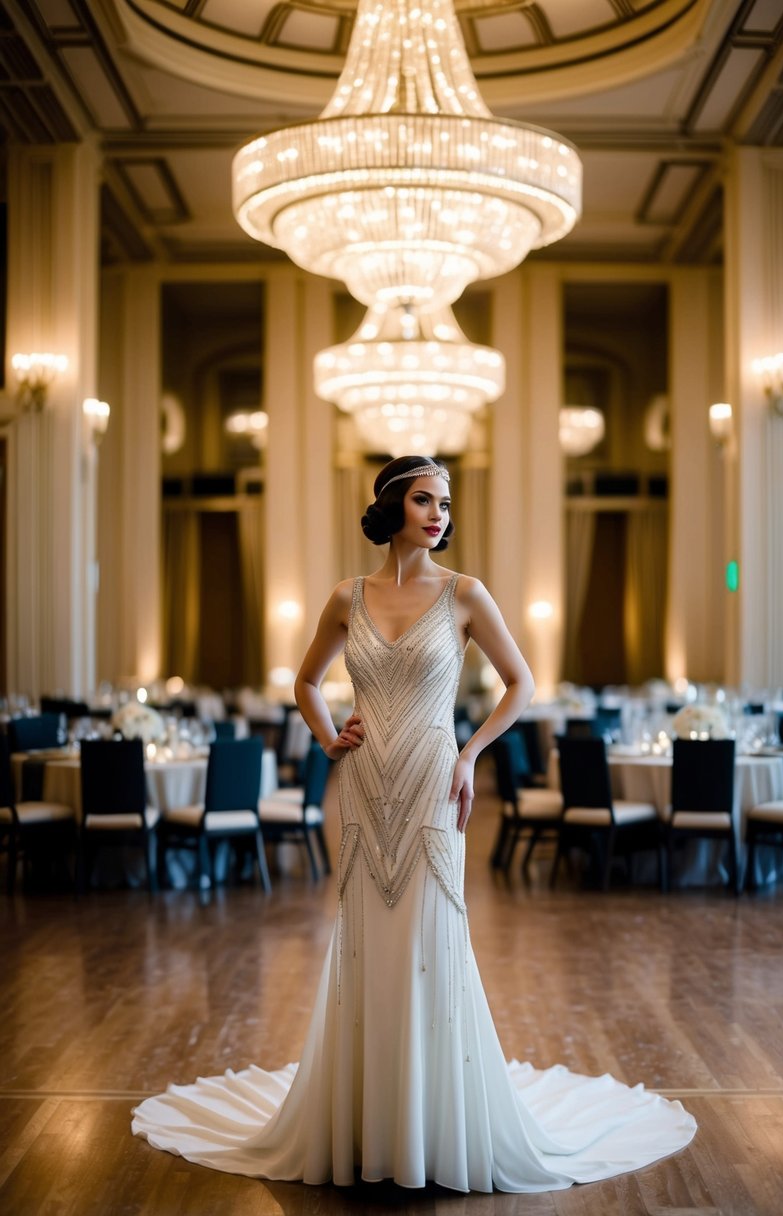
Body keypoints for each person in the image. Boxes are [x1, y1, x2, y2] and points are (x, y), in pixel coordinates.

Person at [132, 455, 696, 1192]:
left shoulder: (465, 595)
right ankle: (366, 1123)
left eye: (445, 502)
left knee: (434, 935)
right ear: (393, 507)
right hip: (365, 785)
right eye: (424, 500)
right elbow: (305, 681)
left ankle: (438, 1126)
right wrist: (330, 734)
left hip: (436, 780)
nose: (438, 514)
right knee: (367, 938)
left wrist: (470, 754)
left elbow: (520, 682)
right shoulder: (346, 596)